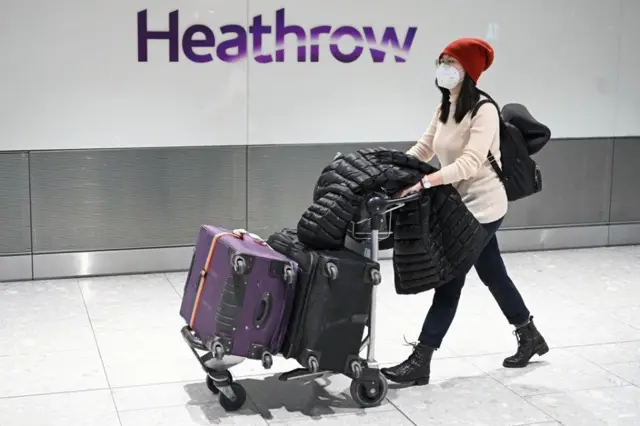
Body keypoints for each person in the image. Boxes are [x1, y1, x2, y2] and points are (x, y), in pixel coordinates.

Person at [381, 38, 548, 386]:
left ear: (467, 70)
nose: (443, 68)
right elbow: (424, 148)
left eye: (451, 62)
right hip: (460, 205)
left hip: (484, 206)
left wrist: (425, 183)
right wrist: (395, 170)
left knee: (449, 280)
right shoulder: (445, 106)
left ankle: (421, 360)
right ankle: (528, 333)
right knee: (493, 274)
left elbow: (470, 163)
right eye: (441, 61)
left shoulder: (483, 110)